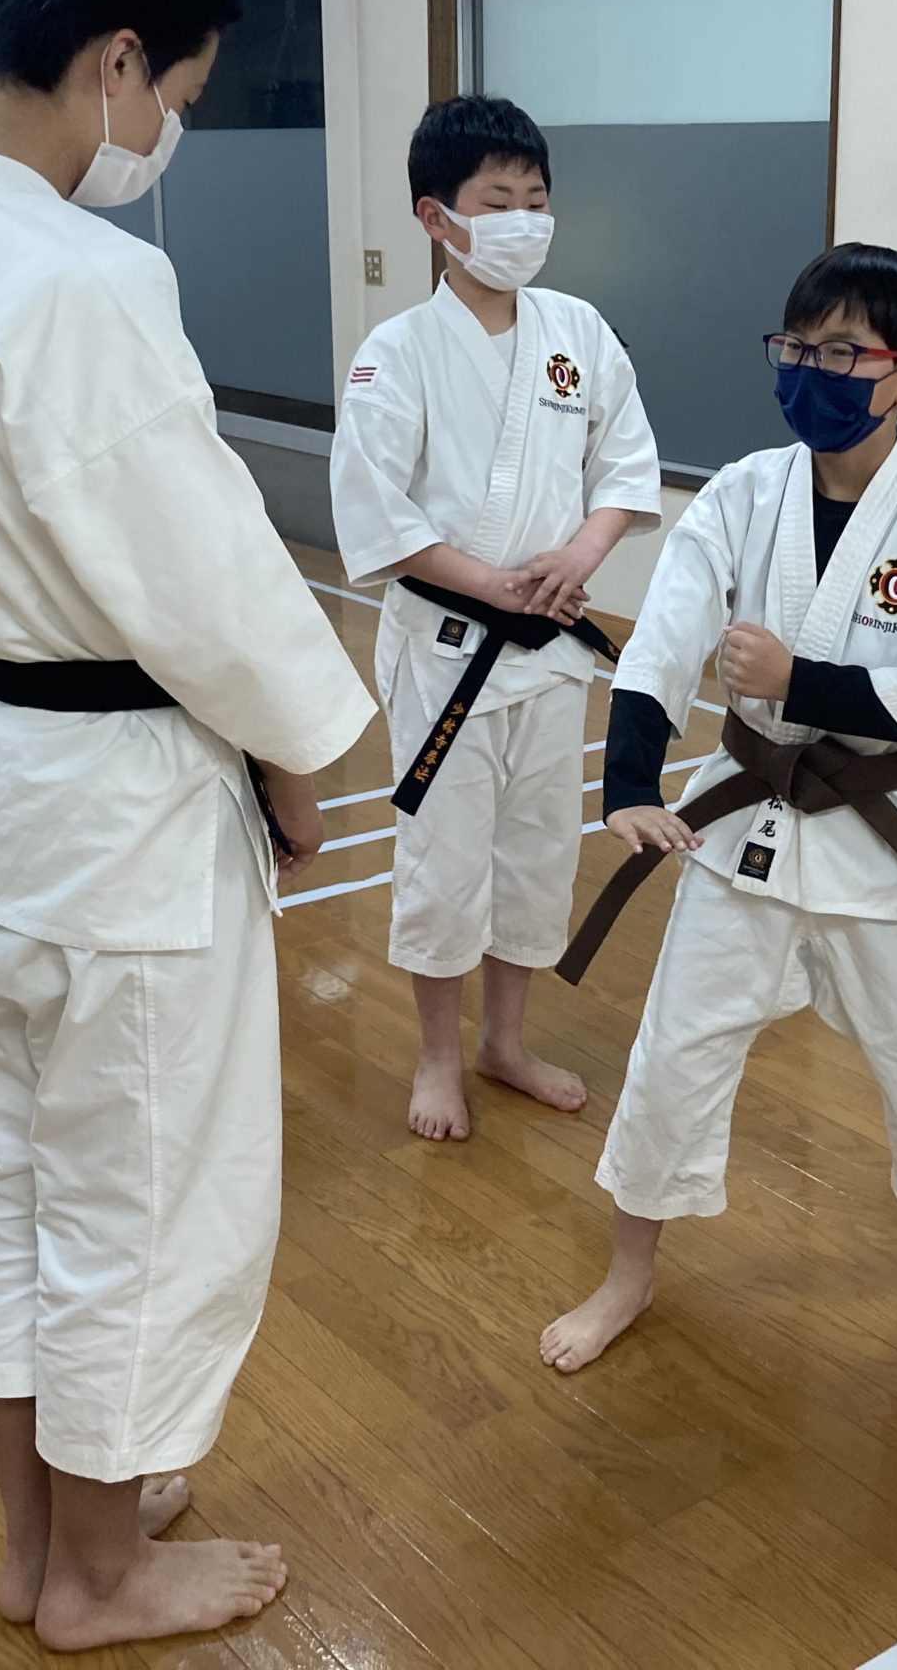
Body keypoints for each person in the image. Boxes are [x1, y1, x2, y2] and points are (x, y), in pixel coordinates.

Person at [0, 0, 375, 1653]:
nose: (169, 137)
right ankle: (96, 1575)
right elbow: (194, 565)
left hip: (1, 765)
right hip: (125, 791)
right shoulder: (83, 274)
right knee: (139, 1200)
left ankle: (37, 1544)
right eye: (183, 97)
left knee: (25, 1179)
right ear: (119, 60)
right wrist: (301, 753)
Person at [542, 243, 897, 1376]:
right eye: (797, 347)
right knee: (674, 1053)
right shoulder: (741, 493)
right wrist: (628, 783)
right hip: (744, 833)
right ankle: (628, 1273)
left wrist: (797, 680)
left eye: (841, 352)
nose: (808, 370)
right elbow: (664, 639)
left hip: (880, 843)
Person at [330, 94, 662, 1143]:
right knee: (444, 859)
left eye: (536, 199)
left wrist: (582, 554)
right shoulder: (396, 352)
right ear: (436, 217)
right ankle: (438, 1053)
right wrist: (488, 582)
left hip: (550, 647)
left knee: (535, 854)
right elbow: (376, 514)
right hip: (448, 648)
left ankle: (505, 1042)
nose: (523, 220)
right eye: (497, 201)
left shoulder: (578, 331)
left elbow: (623, 465)